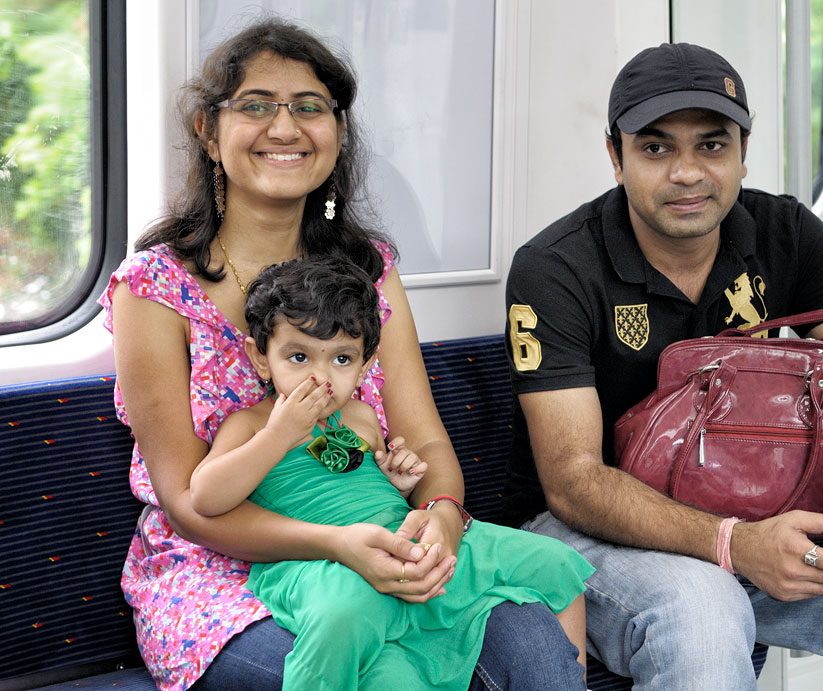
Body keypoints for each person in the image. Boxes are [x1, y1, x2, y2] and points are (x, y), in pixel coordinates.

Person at [101, 17, 588, 691]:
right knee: (368, 666)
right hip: (222, 565)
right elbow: (190, 503)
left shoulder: (370, 268)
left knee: (532, 640)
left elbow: (426, 445)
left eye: (309, 108)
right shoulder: (153, 288)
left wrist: (440, 520)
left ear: (336, 131)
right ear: (208, 133)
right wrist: (337, 546)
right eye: (255, 105)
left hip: (378, 532)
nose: (285, 127)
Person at [504, 42, 823, 690]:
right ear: (615, 156)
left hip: (737, 504)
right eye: (655, 147)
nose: (687, 172)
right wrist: (735, 543)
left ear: (743, 150)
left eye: (711, 144)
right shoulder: (556, 266)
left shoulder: (787, 232)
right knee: (708, 604)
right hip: (579, 534)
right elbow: (572, 480)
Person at [188, 257, 591, 690]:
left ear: (365, 368)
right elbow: (206, 497)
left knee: (555, 561)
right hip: (320, 565)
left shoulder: (360, 417)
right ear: (262, 358)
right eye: (299, 356)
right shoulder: (249, 424)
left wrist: (398, 482)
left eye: (341, 359)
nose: (320, 377)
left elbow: (368, 482)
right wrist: (278, 436)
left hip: (399, 537)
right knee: (345, 622)